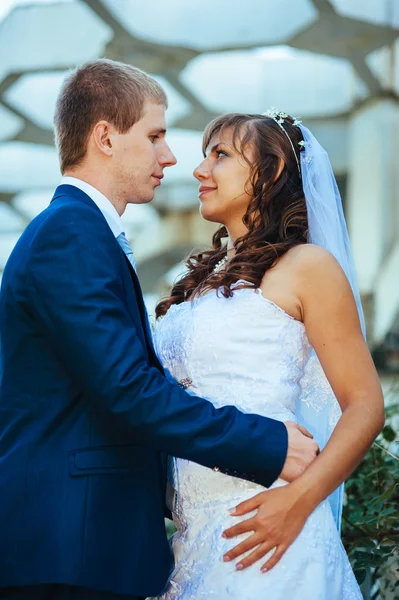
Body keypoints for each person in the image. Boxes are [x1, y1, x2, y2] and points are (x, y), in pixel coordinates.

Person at [0, 61, 317, 600]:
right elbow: (128, 390)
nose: (171, 158)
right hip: (66, 549)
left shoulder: (80, 230)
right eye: (155, 136)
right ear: (105, 137)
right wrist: (266, 444)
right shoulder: (70, 233)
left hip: (89, 544)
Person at [153, 110, 385, 599]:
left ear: (272, 171)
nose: (200, 171)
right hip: (192, 542)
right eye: (203, 157)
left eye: (220, 155)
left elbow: (365, 405)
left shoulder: (308, 267)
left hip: (271, 534)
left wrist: (298, 503)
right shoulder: (202, 280)